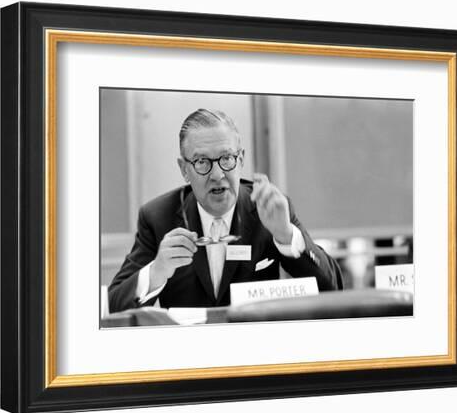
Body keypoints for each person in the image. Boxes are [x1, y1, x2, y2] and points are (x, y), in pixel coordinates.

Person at [108, 109, 342, 313]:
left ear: (241, 159)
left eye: (227, 158)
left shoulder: (269, 209)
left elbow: (333, 289)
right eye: (202, 162)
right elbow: (114, 304)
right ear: (184, 169)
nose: (217, 174)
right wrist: (157, 270)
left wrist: (286, 236)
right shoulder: (158, 217)